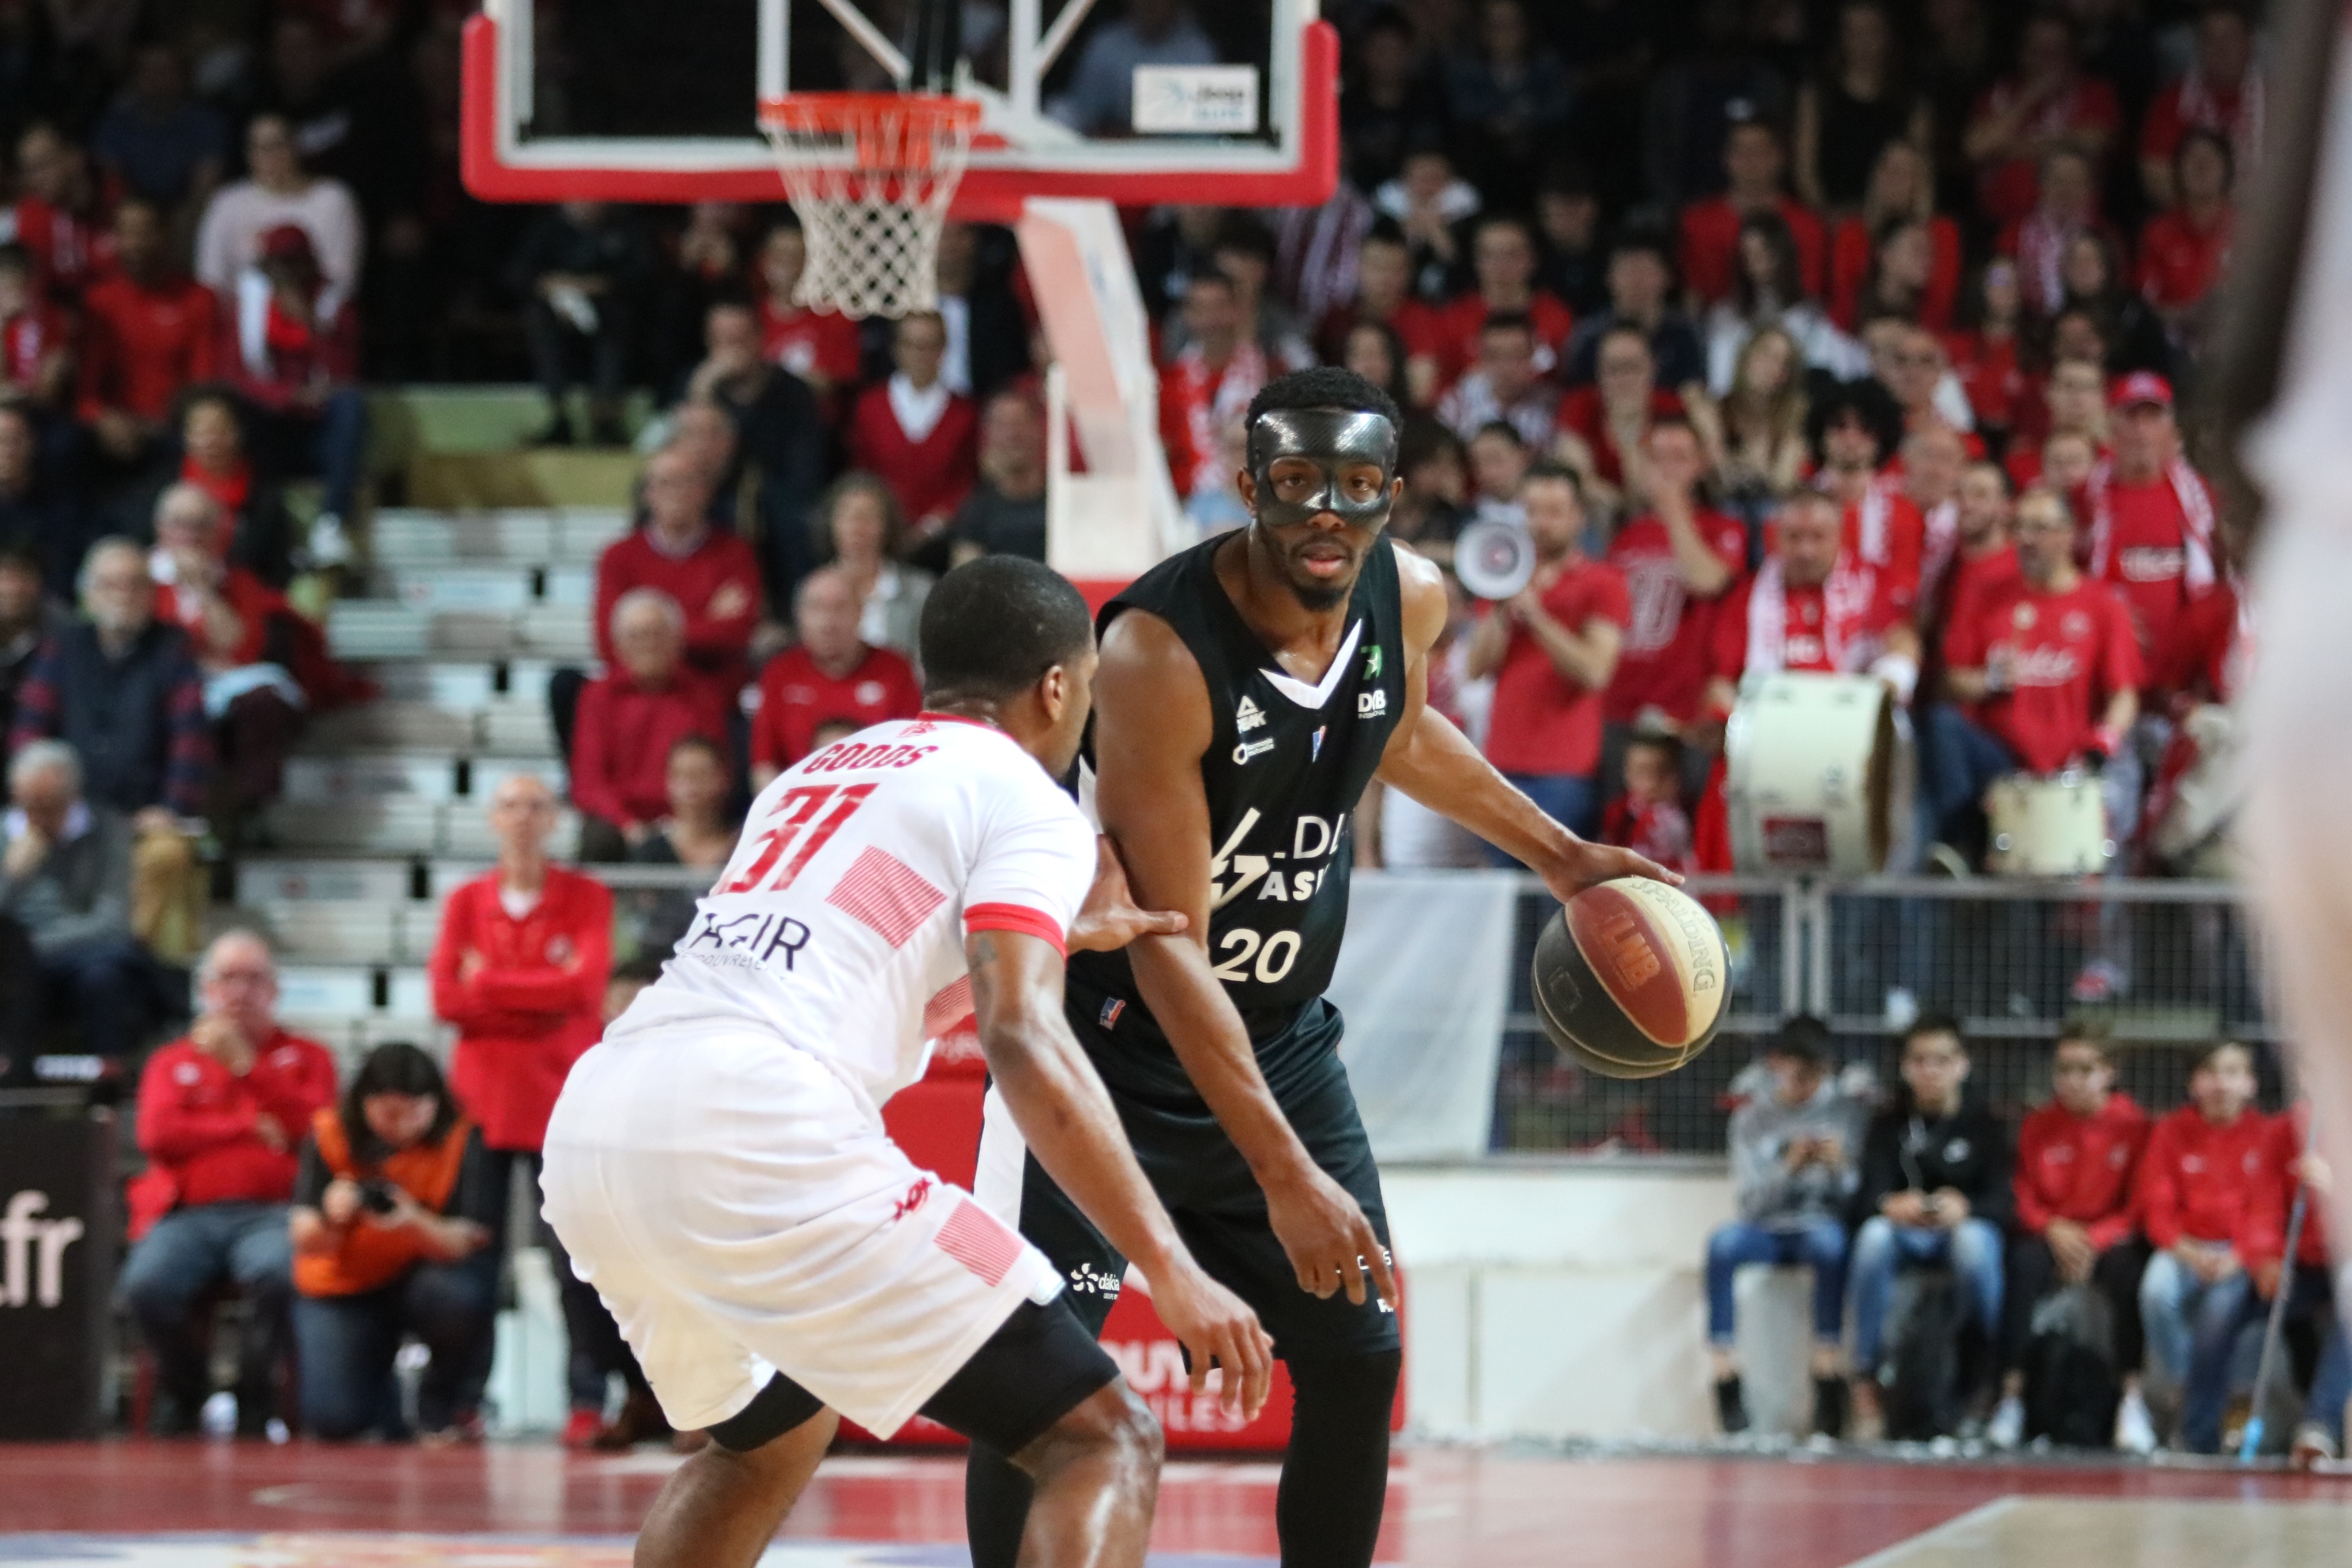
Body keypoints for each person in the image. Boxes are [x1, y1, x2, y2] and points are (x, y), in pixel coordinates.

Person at [963, 368, 1673, 1568]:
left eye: (1355, 486)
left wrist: (1560, 857)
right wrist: (1280, 1172)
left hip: (1283, 1038)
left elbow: (1397, 729)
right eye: (1296, 485)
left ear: (1393, 496)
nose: (1326, 513)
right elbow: (1168, 946)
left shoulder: (1412, 598)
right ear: (1249, 489)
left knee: (1359, 1355)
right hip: (1112, 1050)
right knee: (1045, 1376)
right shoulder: (1153, 652)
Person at [542, 552, 1273, 1568]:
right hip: (756, 1119)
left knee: (767, 1436)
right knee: (1104, 1437)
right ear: (1058, 688)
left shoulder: (822, 769)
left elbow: (863, 936)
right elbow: (1022, 1034)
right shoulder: (1027, 797)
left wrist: (1054, 922)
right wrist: (1171, 1266)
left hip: (600, 1121)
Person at [428, 773, 615, 1439]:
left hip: (562, 1100)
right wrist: (542, 993)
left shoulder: (587, 897)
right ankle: (460, 1402)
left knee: (575, 1262)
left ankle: (587, 1400)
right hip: (481, 1104)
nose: (523, 818)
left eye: (537, 805)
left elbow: (585, 988)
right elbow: (446, 1001)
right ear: (492, 818)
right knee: (473, 1259)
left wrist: (492, 985)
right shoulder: (464, 902)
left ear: (556, 818)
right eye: (510, 805)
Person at [119, 931, 336, 1437]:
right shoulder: (171, 1061)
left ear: (275, 990)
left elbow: (316, 1132)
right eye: (227, 979)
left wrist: (245, 1066)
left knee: (279, 1274)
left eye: (254, 979)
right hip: (186, 1216)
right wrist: (248, 1128)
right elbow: (158, 1135)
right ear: (207, 990)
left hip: (274, 1213)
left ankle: (256, 1396)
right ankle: (186, 1389)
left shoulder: (308, 1056)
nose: (240, 992)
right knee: (145, 1285)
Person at [287, 1041, 498, 1442]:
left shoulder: (463, 1139)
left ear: (436, 1103)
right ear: (363, 1103)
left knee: (463, 1295)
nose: (400, 1125)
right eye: (387, 1113)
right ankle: (384, 1405)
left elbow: (466, 1241)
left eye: (414, 1112)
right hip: (345, 1286)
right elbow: (302, 1236)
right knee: (334, 1420)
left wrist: (411, 1221)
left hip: (421, 1281)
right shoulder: (329, 1134)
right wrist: (334, 1214)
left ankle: (441, 1403)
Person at [1928, 485, 2140, 852]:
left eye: (2040, 528)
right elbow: (1949, 684)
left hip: (2071, 765)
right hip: (2001, 764)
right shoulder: (1987, 597)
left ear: (2068, 534)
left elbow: (2124, 693)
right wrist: (1990, 678)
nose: (2026, 539)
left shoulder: (2102, 605)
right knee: (1941, 723)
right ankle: (1961, 840)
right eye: (2020, 527)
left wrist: (2102, 745)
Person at [1846, 1018, 2012, 1442]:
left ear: (1962, 1065)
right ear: (1905, 1067)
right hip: (1905, 1234)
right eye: (1919, 1060)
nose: (1930, 1070)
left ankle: (1986, 1383)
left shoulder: (1987, 1123)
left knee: (1975, 1245)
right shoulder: (1889, 1123)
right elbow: (1864, 1199)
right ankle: (1867, 1382)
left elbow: (2004, 1202)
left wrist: (1965, 1207)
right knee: (1872, 1239)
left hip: (1962, 1233)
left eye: (1941, 1060)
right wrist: (1892, 1204)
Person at [1993, 1025, 2155, 1452]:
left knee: (2130, 1274)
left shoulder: (2134, 1125)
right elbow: (2022, 1193)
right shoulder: (2038, 1125)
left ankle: (2131, 1401)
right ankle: (2011, 1398)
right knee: (2021, 1267)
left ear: (2109, 1073)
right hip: (2053, 1234)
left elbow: (2139, 1204)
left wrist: (2097, 1238)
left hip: (2108, 1239)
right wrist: (2052, 1229)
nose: (2073, 1080)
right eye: (2064, 1070)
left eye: (2086, 1069)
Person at [1705, 1016, 1861, 1438]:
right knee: (1722, 1244)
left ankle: (1827, 1370)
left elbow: (1859, 1199)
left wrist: (1839, 1167)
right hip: (1767, 1229)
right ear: (1777, 1064)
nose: (1807, 1083)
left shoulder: (1845, 1114)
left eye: (1817, 1072)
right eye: (1798, 1071)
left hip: (1819, 1227)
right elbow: (1750, 1203)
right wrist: (1788, 1167)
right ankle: (1724, 1372)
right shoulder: (1754, 1119)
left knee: (1832, 1246)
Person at [1464, 463, 1627, 846]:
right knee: (1504, 896)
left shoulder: (1603, 582)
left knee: (1553, 894)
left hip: (1566, 769)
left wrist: (1537, 617)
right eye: (1533, 511)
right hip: (1501, 763)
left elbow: (1595, 672)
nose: (1541, 523)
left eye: (1554, 512)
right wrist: (1504, 608)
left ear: (1578, 517)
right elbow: (1475, 667)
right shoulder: (1505, 578)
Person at [11, 537, 210, 825]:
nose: (123, 595)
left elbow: (190, 740)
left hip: (148, 814)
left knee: (166, 856)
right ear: (88, 594)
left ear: (151, 594)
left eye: (135, 584)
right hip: (65, 814)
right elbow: (30, 735)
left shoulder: (173, 650)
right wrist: (39, 801)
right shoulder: (62, 646)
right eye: (110, 585)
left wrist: (172, 808)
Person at [2135, 1039, 2273, 1453]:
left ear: (2249, 1083)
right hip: (2184, 1249)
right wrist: (2191, 1253)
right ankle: (2185, 1386)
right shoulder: (2170, 1131)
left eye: (2232, 1073)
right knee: (2155, 1291)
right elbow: (2157, 1211)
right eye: (2211, 1073)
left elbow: (2268, 1212)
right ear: (2195, 1082)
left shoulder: (2266, 1135)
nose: (2221, 1084)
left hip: (2239, 1254)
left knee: (2221, 1312)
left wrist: (2239, 1256)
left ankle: (2220, 1408)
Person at [147, 484, 308, 821]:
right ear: (160, 528)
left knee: (262, 701)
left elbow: (243, 651)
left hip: (220, 695)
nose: (189, 535)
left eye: (200, 525)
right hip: (156, 690)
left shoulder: (238, 582)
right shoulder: (139, 579)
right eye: (179, 523)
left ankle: (252, 813)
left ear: (218, 530)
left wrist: (202, 590)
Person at [0, 739, 156, 1060]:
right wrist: (11, 878)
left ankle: (106, 1085)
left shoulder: (108, 830)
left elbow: (112, 922)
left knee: (106, 976)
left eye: (49, 806)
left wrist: (33, 949)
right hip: (12, 958)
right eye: (29, 805)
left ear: (72, 797)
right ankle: (15, 1083)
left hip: (81, 955)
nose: (37, 818)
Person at [1704, 488, 1917, 715]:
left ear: (1840, 536)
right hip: (1770, 723)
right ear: (1775, 536)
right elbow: (1721, 681)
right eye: (1794, 537)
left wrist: (1882, 690)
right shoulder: (1746, 595)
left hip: (1849, 720)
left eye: (1818, 536)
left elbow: (1903, 642)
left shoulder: (1873, 584)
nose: (1806, 551)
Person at [1602, 420, 1748, 745]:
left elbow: (1708, 581)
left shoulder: (1722, 527)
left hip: (1684, 710)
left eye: (1679, 458)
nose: (1667, 469)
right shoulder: (1627, 535)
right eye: (1657, 458)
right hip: (1619, 702)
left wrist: (1673, 509)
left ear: (1699, 465)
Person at [568, 587, 733, 861]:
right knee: (598, 839)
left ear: (677, 640)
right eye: (636, 635)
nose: (648, 644)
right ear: (618, 644)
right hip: (622, 823)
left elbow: (714, 770)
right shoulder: (597, 695)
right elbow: (589, 783)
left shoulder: (703, 694)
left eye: (658, 633)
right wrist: (629, 825)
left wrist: (679, 823)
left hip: (690, 817)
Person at [592, 447, 763, 690]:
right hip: (636, 688)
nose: (675, 493)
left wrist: (644, 634)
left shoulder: (735, 554)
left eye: (685, 483)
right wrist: (705, 620)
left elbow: (735, 634)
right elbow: (608, 642)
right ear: (648, 493)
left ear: (704, 492)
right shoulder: (618, 556)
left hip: (710, 687)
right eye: (665, 483)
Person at [2084, 374, 2219, 666]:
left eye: (2153, 417)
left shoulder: (2200, 499)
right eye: (2131, 417)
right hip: (2106, 663)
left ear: (2171, 428)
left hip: (2183, 669)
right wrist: (2108, 617)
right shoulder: (2087, 497)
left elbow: (2219, 584)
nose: (2142, 430)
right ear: (2111, 426)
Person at [748, 565, 921, 789]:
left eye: (839, 608)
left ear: (860, 612)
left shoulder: (895, 669)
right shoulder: (779, 672)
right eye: (816, 608)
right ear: (799, 615)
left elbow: (915, 756)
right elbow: (764, 764)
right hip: (798, 807)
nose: (827, 623)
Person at [75, 198, 217, 469]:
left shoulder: (198, 299)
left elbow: (202, 382)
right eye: (125, 233)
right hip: (111, 432)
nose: (134, 244)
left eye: (144, 232)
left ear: (166, 234)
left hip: (173, 432)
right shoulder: (100, 302)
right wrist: (103, 418)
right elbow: (86, 391)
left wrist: (161, 426)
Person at [507, 200, 652, 446]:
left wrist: (595, 286)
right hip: (555, 309)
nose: (587, 203)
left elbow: (641, 275)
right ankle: (559, 416)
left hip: (607, 309)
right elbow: (518, 272)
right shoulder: (546, 229)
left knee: (619, 323)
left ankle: (605, 419)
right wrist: (553, 287)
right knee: (538, 321)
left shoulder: (624, 228)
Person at [1962, 13, 2120, 232]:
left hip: (2074, 229)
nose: (2046, 57)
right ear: (2021, 51)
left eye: (2056, 50)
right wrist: (2031, 95)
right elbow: (1976, 149)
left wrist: (2004, 150)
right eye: (2036, 48)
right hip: (1998, 225)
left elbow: (2092, 143)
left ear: (2072, 53)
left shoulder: (2094, 92)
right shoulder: (1996, 94)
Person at [194, 115, 363, 302]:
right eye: (260, 148)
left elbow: (341, 278)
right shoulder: (227, 203)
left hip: (312, 318)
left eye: (278, 145)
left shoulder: (332, 199)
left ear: (296, 146)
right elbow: (211, 277)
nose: (270, 156)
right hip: (242, 318)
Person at [847, 311, 979, 550]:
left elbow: (968, 481)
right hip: (882, 539)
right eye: (913, 345)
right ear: (897, 348)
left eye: (930, 346)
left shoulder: (965, 413)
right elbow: (862, 472)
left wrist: (933, 525)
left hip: (944, 540)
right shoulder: (869, 407)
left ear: (943, 350)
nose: (921, 355)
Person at [1792, 2, 1930, 216]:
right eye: (1854, 33)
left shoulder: (1911, 101)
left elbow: (1919, 173)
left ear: (1887, 36)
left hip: (1892, 219)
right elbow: (1805, 169)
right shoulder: (1818, 94)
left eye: (1872, 32)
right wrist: (1826, 214)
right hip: (1831, 218)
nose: (1863, 43)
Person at [1677, 119, 1828, 309]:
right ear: (1726, 158)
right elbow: (1693, 297)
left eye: (1760, 151)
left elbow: (1810, 298)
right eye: (1741, 152)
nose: (1750, 161)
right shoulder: (1696, 224)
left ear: (1779, 157)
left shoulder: (1808, 226)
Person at [623, 735, 740, 962]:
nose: (691, 787)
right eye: (681, 776)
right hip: (659, 968)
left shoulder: (744, 849)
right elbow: (637, 925)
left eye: (700, 775)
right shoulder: (649, 852)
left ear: (724, 779)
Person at [2138, 3, 2262, 210]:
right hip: (2190, 229)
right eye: (2210, 38)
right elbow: (2156, 180)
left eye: (2229, 37)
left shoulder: (2279, 102)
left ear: (2249, 42)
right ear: (2198, 45)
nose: (2220, 47)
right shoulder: (2171, 102)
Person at [810, 473, 933, 665]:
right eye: (847, 516)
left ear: (887, 525)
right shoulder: (813, 591)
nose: (856, 526)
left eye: (868, 516)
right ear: (831, 523)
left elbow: (926, 666)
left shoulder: (921, 592)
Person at [1561, 232, 1706, 392]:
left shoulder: (1686, 335)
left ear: (1667, 278)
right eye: (1627, 271)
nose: (1637, 282)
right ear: (1609, 279)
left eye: (1646, 271)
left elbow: (1695, 394)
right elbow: (1578, 398)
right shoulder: (1588, 338)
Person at [0, 398, 89, 597]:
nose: (7, 451)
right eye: (0, 441)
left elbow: (65, 570)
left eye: (14, 440)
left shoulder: (61, 504)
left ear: (32, 443)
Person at [951, 390, 1050, 566]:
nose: (1013, 434)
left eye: (1022, 422)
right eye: (1003, 424)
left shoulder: (1064, 502)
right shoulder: (976, 512)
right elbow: (965, 580)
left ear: (1039, 429)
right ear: (988, 434)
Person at [1434, 312, 1558, 449]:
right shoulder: (1457, 402)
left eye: (1516, 355)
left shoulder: (1552, 406)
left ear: (1532, 356)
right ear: (1481, 358)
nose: (1506, 367)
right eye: (1494, 356)